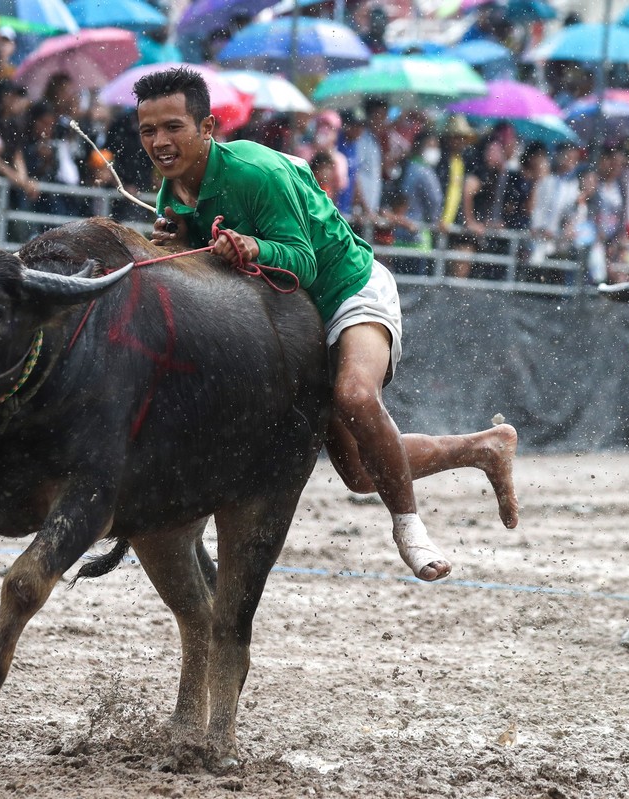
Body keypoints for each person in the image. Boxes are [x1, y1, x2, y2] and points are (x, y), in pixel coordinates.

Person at [138, 67, 518, 581]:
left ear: (207, 127)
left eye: (172, 128)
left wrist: (252, 247)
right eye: (147, 131)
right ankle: (484, 447)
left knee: (356, 397)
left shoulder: (254, 172)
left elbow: (303, 262)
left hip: (348, 289)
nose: (159, 142)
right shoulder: (170, 195)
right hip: (296, 324)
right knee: (362, 474)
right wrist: (179, 246)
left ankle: (409, 529)